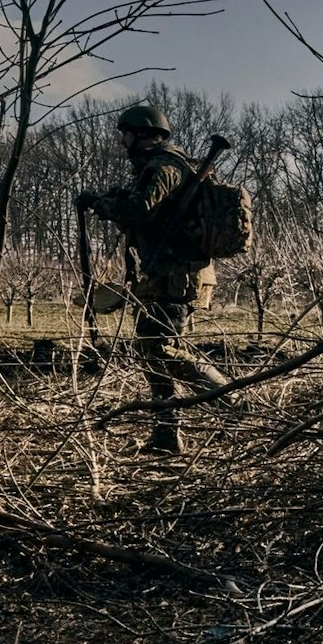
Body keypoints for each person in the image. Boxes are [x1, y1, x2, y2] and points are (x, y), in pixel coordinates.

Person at [77, 102, 229, 454]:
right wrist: (111, 199)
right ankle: (166, 433)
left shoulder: (164, 167)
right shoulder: (161, 167)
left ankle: (232, 401)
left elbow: (139, 211)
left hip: (177, 276)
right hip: (166, 274)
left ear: (142, 134)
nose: (122, 142)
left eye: (125, 135)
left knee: (162, 349)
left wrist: (100, 203)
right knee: (152, 352)